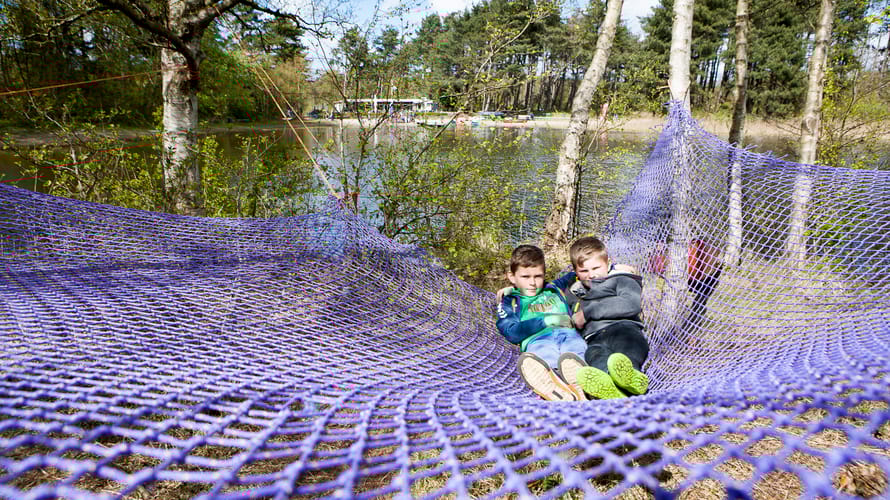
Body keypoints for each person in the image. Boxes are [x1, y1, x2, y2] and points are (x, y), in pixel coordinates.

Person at [551, 236, 649, 400]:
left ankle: (633, 377)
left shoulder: (621, 279)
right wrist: (516, 290)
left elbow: (631, 304)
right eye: (584, 271)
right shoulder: (574, 291)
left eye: (596, 268)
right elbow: (545, 290)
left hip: (624, 329)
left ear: (608, 263)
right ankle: (612, 389)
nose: (591, 275)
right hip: (593, 339)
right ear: (575, 272)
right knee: (595, 357)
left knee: (625, 354)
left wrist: (588, 312)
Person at [496, 245, 588, 402]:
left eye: (538, 276)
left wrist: (613, 268)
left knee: (576, 352)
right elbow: (511, 331)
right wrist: (545, 321)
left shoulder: (553, 287)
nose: (532, 283)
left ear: (544, 274)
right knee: (545, 357)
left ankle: (581, 386)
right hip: (538, 340)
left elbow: (584, 270)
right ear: (512, 277)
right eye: (525, 277)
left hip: (569, 334)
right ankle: (558, 389)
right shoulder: (510, 302)